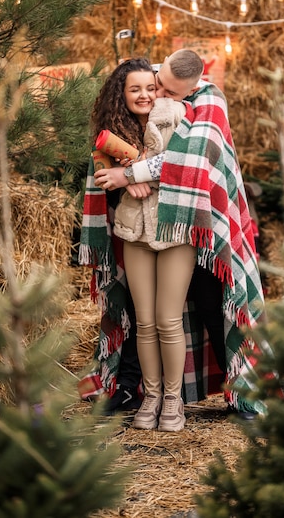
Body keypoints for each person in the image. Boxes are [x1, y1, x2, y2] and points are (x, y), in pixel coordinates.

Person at [78, 49, 266, 421]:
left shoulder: (204, 102)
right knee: (138, 314)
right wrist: (113, 173)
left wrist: (130, 174)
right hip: (137, 229)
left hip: (195, 224)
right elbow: (100, 152)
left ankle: (238, 392)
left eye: (166, 89)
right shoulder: (135, 94)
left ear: (191, 89)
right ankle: (134, 388)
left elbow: (190, 158)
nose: (157, 93)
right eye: (154, 83)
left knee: (212, 304)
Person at [80, 57, 197, 432]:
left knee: (168, 320)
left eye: (151, 87)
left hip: (174, 229)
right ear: (123, 93)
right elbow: (101, 174)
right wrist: (122, 180)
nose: (145, 95)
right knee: (144, 322)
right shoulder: (113, 132)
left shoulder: (176, 115)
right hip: (133, 231)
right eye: (135, 89)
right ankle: (150, 396)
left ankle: (174, 401)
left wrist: (128, 173)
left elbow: (182, 164)